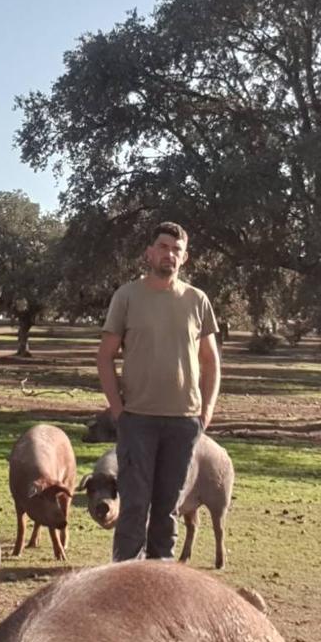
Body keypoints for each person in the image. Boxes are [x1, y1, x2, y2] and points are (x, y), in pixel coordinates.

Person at [97, 221, 220, 561]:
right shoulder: (127, 297)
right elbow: (105, 357)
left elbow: (211, 361)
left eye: (176, 250)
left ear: (185, 257)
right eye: (164, 247)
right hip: (138, 419)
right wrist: (118, 410)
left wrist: (206, 410)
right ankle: (124, 583)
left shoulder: (198, 300)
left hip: (183, 422)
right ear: (149, 253)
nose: (170, 255)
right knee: (134, 507)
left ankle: (159, 583)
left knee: (168, 510)